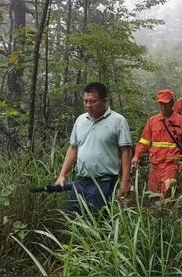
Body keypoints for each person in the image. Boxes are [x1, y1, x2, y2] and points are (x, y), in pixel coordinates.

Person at [55, 82, 132, 213]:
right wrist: (62, 175)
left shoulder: (118, 121)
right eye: (85, 101)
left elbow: (126, 152)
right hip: (80, 181)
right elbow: (73, 148)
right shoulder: (80, 120)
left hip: (104, 182)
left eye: (93, 101)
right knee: (73, 219)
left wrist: (125, 180)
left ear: (105, 101)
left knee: (98, 222)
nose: (88, 105)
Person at [132, 90, 182, 200]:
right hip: (154, 165)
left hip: (171, 164)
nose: (163, 107)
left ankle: (167, 213)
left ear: (172, 103)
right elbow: (144, 142)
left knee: (167, 193)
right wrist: (136, 156)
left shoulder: (181, 121)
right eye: (161, 104)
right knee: (153, 194)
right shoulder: (152, 121)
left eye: (166, 103)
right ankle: (155, 216)